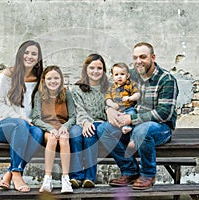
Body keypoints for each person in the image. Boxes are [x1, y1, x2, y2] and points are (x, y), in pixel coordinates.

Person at [98, 42, 179, 190]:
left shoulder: (166, 80)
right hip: (131, 125)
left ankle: (148, 174)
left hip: (159, 128)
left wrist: (131, 119)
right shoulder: (130, 75)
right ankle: (130, 171)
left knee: (142, 130)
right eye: (135, 57)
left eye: (143, 57)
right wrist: (109, 110)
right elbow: (111, 94)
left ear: (153, 57)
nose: (138, 61)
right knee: (103, 129)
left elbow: (164, 113)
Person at [0, 40, 44, 193]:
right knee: (20, 124)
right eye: (26, 53)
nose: (29, 56)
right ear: (20, 55)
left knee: (38, 133)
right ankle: (17, 174)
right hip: (2, 125)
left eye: (34, 54)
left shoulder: (39, 78)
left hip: (27, 127)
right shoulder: (8, 75)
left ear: (39, 58)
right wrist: (20, 118)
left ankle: (10, 173)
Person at [31, 65, 76, 193]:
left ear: (61, 79)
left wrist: (64, 127)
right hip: (47, 128)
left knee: (64, 138)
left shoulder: (66, 93)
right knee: (51, 139)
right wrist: (50, 128)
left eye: (56, 78)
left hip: (62, 127)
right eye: (49, 78)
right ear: (44, 80)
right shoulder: (39, 95)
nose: (53, 81)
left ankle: (65, 179)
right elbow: (36, 118)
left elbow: (73, 116)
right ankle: (47, 178)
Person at [69, 53, 109, 188]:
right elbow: (78, 109)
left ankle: (89, 178)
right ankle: (76, 177)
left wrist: (91, 124)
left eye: (99, 68)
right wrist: (86, 122)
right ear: (86, 69)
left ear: (104, 71)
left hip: (100, 123)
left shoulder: (109, 88)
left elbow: (108, 109)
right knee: (74, 134)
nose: (95, 71)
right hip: (80, 122)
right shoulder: (76, 89)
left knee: (89, 134)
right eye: (92, 68)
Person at [105, 62, 140, 148]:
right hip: (117, 111)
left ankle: (127, 127)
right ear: (112, 77)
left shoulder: (130, 85)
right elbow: (107, 99)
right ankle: (117, 131)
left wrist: (130, 98)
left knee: (132, 113)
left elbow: (137, 94)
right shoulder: (111, 88)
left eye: (122, 74)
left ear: (127, 76)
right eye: (116, 74)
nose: (119, 76)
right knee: (111, 119)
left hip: (128, 108)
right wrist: (112, 104)